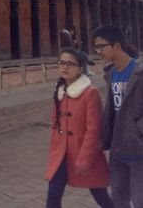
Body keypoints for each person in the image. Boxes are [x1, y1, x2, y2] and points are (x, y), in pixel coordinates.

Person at [93, 25, 143, 208]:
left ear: (117, 46)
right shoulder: (111, 74)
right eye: (96, 47)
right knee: (119, 200)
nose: (98, 51)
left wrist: (137, 129)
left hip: (142, 151)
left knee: (141, 201)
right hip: (118, 150)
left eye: (101, 46)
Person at [45, 47, 113, 208]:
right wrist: (55, 147)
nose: (65, 67)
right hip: (61, 153)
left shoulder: (90, 93)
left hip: (84, 152)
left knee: (101, 196)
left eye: (70, 63)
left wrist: (84, 159)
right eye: (62, 63)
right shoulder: (60, 91)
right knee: (53, 196)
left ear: (81, 68)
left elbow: (94, 130)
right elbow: (55, 123)